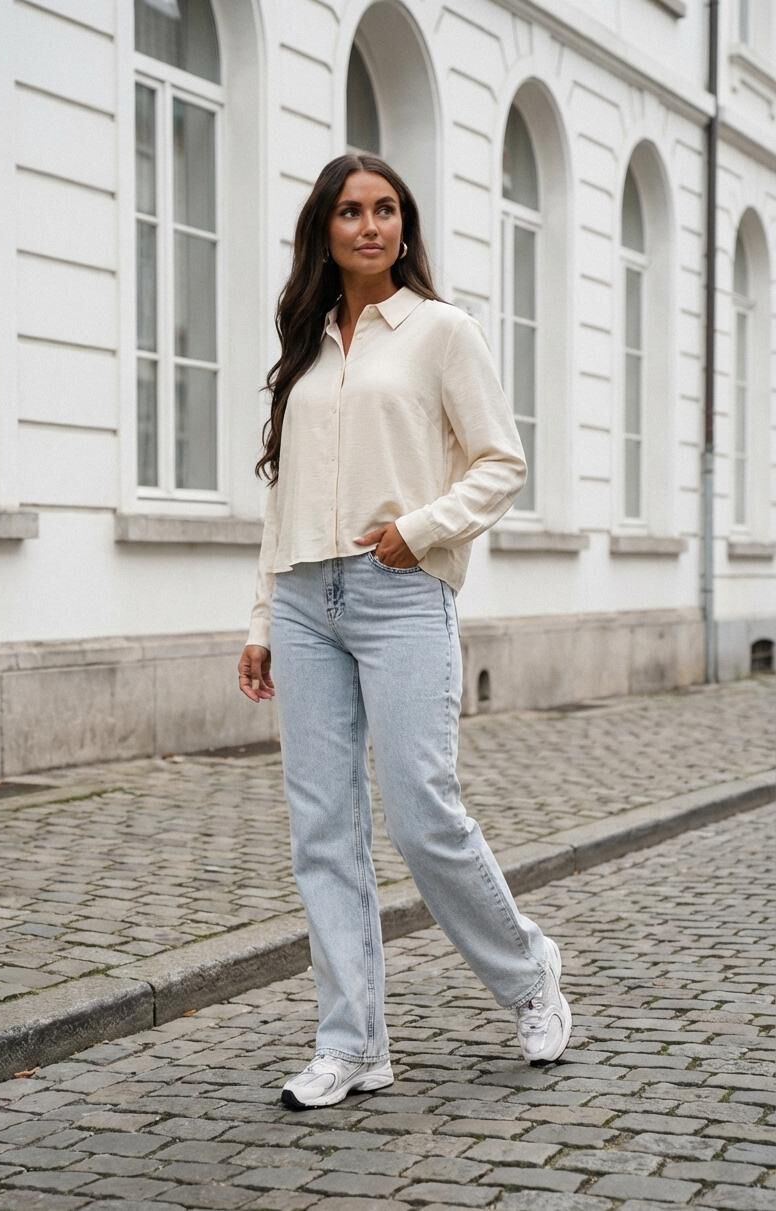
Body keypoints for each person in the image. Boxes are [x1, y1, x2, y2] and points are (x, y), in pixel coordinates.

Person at [237, 153, 571, 1111]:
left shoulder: (441, 332)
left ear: (405, 227)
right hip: (304, 597)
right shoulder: (305, 347)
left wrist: (419, 530)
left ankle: (529, 975)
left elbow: (501, 462)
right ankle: (352, 1043)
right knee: (322, 829)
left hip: (400, 591)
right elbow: (280, 496)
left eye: (386, 210)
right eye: (351, 211)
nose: (371, 225)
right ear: (325, 229)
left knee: (424, 812)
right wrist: (261, 619)